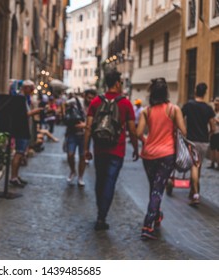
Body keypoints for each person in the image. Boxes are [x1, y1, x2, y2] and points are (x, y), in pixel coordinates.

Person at [84, 69, 139, 230]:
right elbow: (132, 130)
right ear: (117, 83)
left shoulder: (95, 101)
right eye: (121, 82)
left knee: (99, 181)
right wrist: (135, 148)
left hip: (99, 148)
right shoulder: (125, 103)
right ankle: (102, 217)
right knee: (110, 182)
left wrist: (86, 148)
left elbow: (88, 127)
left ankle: (100, 212)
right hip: (117, 150)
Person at [136, 78, 186, 240]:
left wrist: (147, 141)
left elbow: (138, 133)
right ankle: (147, 225)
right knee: (158, 189)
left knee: (154, 187)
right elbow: (183, 132)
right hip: (166, 154)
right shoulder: (174, 110)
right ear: (166, 92)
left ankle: (156, 215)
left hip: (148, 154)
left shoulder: (146, 111)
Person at [182, 83, 216, 205]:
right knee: (198, 166)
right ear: (205, 92)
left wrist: (183, 132)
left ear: (195, 90)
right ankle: (193, 190)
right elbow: (213, 127)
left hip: (192, 140)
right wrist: (208, 133)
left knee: (194, 167)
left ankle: (196, 195)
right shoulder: (208, 108)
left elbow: (180, 120)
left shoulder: (188, 105)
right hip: (204, 142)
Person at [10, 80, 43, 187]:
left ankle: (16, 175)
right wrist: (36, 111)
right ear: (26, 88)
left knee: (21, 153)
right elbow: (23, 114)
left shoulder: (24, 98)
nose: (33, 90)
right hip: (21, 129)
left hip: (24, 128)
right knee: (18, 153)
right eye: (31, 88)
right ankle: (13, 177)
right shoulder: (20, 98)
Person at [65, 94, 86, 187]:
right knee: (70, 154)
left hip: (84, 135)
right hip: (72, 133)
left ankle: (80, 177)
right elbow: (65, 105)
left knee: (82, 156)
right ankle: (73, 171)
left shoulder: (93, 106)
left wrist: (85, 125)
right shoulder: (76, 102)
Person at [208, 97, 219, 169]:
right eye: (216, 101)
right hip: (212, 132)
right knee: (212, 148)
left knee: (218, 149)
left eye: (218, 101)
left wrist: (215, 119)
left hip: (218, 132)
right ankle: (212, 163)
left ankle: (218, 164)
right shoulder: (212, 111)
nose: (216, 102)